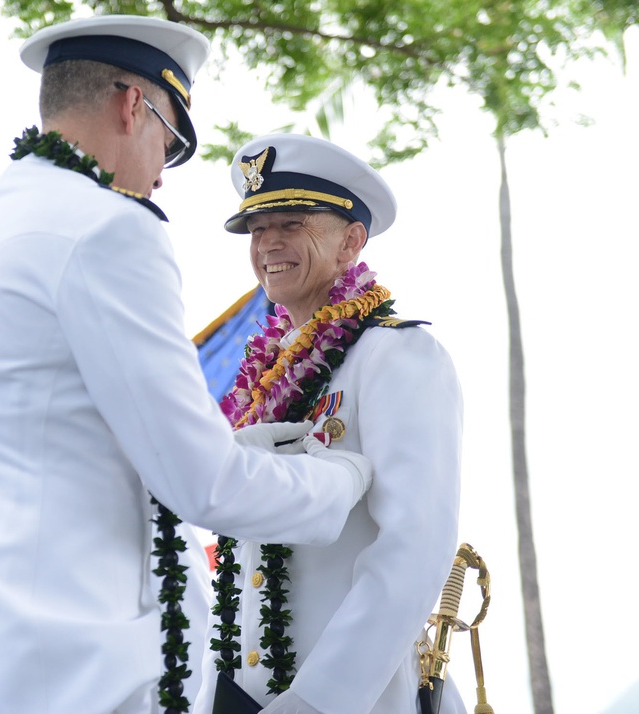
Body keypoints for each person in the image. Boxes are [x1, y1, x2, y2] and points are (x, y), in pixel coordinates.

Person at [0, 17, 378, 714]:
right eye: (168, 146)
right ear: (132, 107)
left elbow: (55, 432)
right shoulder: (110, 229)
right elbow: (206, 486)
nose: (161, 178)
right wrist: (339, 479)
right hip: (62, 677)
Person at [192, 134, 465, 714]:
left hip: (354, 696)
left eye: (290, 223)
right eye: (256, 228)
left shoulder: (397, 355)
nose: (268, 243)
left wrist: (319, 701)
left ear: (352, 241)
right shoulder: (263, 368)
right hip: (240, 692)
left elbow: (415, 547)